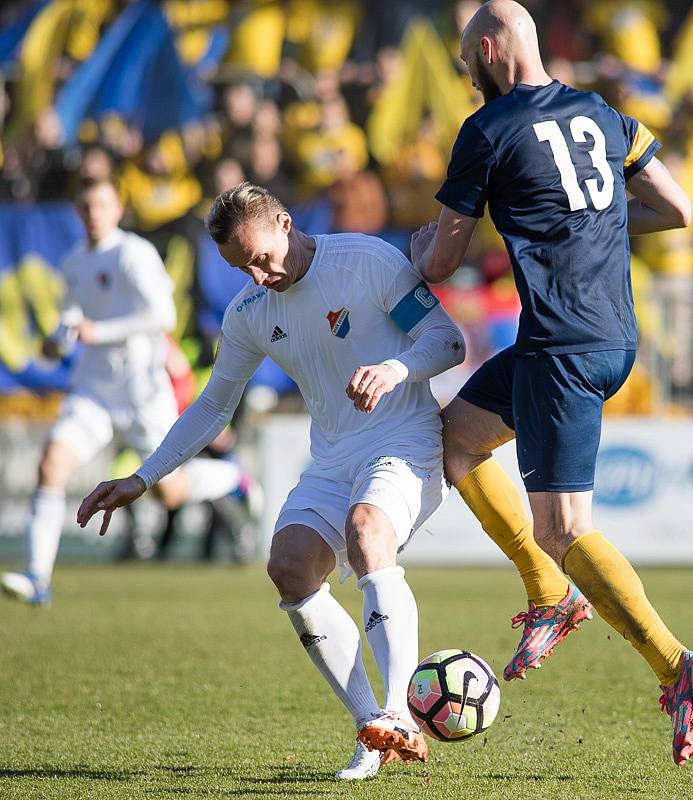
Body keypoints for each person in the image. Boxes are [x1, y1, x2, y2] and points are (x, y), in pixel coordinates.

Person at [410, 0, 693, 767]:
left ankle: (673, 665)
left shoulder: (487, 129)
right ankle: (548, 594)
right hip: (609, 335)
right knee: (456, 441)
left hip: (561, 348)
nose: (464, 73)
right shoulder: (607, 116)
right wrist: (601, 221)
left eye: (464, 60)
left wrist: (414, 249)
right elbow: (678, 209)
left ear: (487, 50)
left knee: (565, 528)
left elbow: (440, 264)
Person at [75, 182, 466, 779]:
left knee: (367, 534)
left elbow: (446, 340)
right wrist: (143, 477)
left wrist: (394, 368)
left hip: (404, 438)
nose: (257, 276)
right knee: (288, 566)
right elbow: (212, 407)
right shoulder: (250, 313)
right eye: (241, 268)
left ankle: (399, 713)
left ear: (285, 223)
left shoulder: (367, 261)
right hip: (334, 456)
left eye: (259, 257)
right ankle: (373, 729)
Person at [0, 178, 249, 606]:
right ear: (79, 213)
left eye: (101, 205)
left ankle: (234, 479)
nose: (93, 214)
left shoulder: (133, 253)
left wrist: (101, 332)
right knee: (51, 463)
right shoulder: (75, 261)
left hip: (141, 392)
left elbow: (162, 315)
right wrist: (57, 342)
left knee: (171, 492)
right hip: (93, 392)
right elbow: (72, 320)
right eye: (86, 207)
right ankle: (38, 577)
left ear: (118, 209)